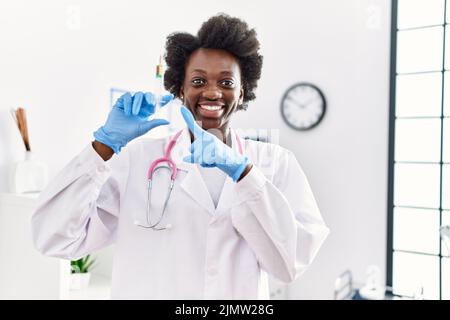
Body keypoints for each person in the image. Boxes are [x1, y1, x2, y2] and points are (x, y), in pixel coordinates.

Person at [31, 13, 329, 299]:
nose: (212, 92)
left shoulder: (276, 163)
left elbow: (291, 264)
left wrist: (244, 174)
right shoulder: (137, 160)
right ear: (180, 89)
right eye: (198, 81)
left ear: (242, 92)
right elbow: (55, 238)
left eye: (226, 83)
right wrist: (104, 146)